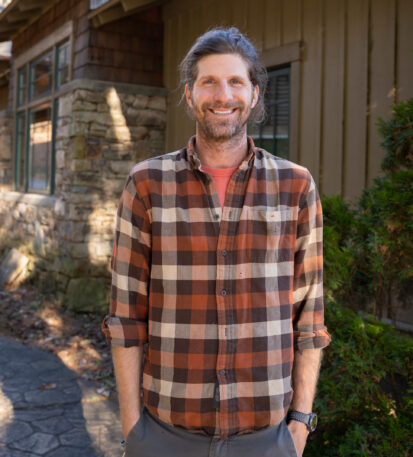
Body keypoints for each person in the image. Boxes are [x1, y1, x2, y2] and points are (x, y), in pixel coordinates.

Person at [102, 27, 331, 457]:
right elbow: (126, 316)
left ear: (255, 94)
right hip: (164, 435)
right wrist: (134, 428)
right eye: (208, 81)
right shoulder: (147, 184)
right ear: (189, 95)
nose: (222, 94)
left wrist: (299, 425)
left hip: (267, 440)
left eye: (235, 82)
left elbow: (309, 315)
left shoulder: (296, 186)